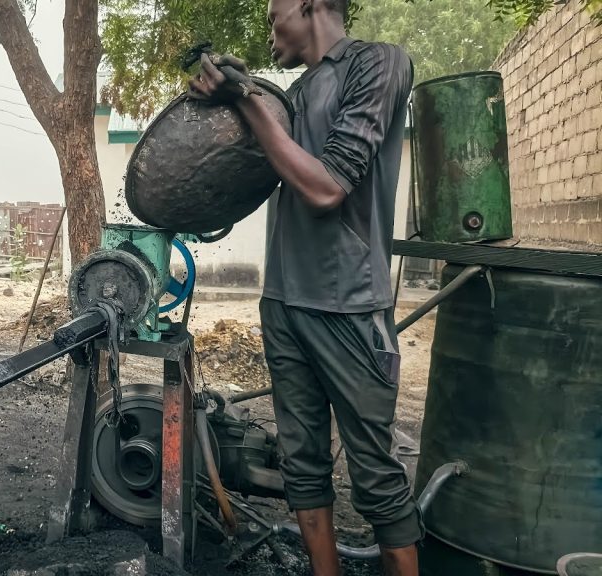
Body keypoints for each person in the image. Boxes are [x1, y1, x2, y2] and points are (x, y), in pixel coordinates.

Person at [189, 0, 419, 574]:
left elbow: (327, 188)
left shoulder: (380, 64)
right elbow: (245, 174)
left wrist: (248, 100)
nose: (270, 31)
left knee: (376, 479)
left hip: (348, 305)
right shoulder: (290, 96)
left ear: (311, 4)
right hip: (284, 304)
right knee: (302, 467)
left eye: (274, 16)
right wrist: (235, 100)